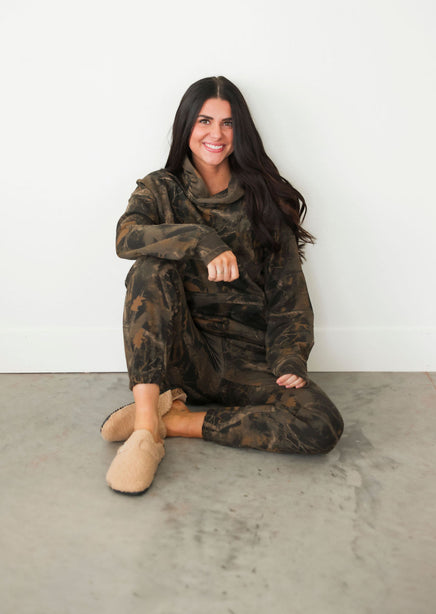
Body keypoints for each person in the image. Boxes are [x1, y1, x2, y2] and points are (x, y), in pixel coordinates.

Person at [101, 76, 344, 495]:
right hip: (183, 357)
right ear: (186, 126)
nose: (216, 134)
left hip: (247, 361)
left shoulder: (266, 197)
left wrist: (289, 359)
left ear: (240, 129)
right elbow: (127, 237)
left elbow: (289, 297)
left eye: (227, 123)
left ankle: (172, 420)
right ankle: (144, 430)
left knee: (321, 423)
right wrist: (200, 239)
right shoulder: (160, 189)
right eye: (204, 121)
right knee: (149, 269)